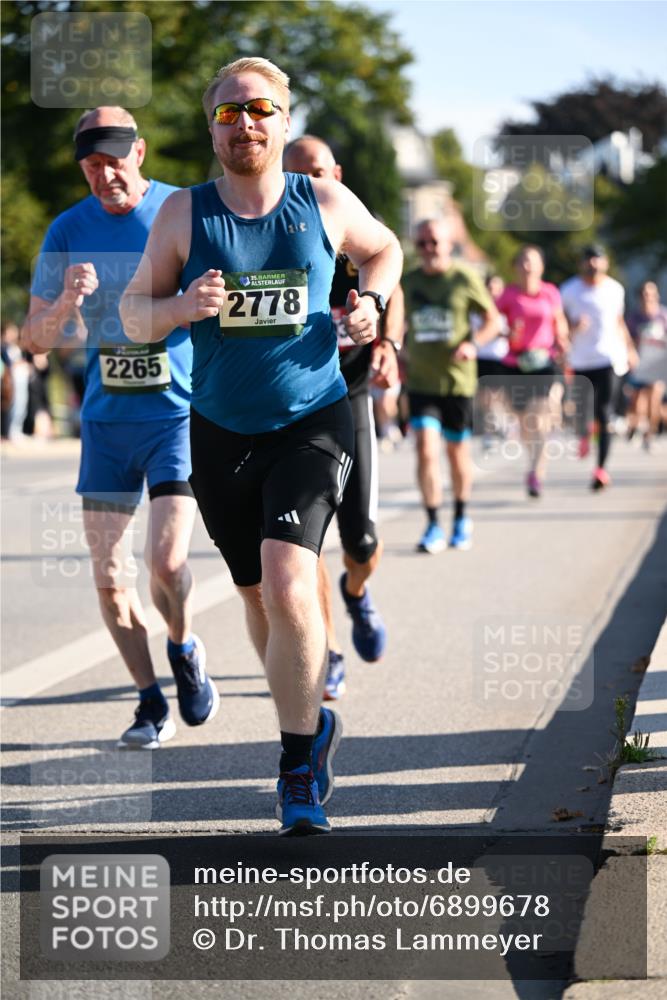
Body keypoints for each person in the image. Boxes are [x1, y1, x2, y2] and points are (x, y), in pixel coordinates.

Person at [120, 58, 402, 835]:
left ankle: (295, 765)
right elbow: (134, 315)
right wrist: (181, 305)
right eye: (228, 112)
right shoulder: (184, 213)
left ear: (283, 121)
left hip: (312, 420)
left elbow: (383, 249)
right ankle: (312, 721)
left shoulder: (323, 201)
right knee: (256, 596)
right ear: (211, 126)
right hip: (219, 432)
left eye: (260, 110)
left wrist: (372, 304)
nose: (244, 123)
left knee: (286, 581)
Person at [20, 106, 219, 749]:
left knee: (166, 561)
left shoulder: (182, 211)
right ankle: (149, 701)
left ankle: (183, 645)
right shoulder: (68, 230)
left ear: (140, 152)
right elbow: (34, 339)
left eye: (113, 161)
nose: (104, 176)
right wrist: (66, 302)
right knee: (109, 578)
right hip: (107, 426)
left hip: (175, 416)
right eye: (91, 166)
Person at [282, 134, 404, 701]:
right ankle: (328, 650)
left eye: (316, 172)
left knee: (360, 542)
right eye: (295, 174)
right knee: (303, 539)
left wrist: (388, 342)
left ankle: (355, 591)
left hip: (349, 394)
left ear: (337, 172)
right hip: (291, 403)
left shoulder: (353, 223)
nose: (307, 183)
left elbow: (392, 278)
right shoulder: (272, 227)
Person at [401, 217, 499, 553]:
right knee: (425, 449)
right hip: (421, 382)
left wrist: (474, 344)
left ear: (448, 245)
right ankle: (432, 523)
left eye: (434, 242)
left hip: (458, 383)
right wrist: (396, 349)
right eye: (422, 243)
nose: (428, 249)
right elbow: (395, 321)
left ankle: (460, 516)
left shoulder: (464, 278)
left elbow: (492, 319)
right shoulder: (409, 281)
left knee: (457, 454)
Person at [560, 245, 638, 490]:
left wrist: (630, 349)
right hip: (580, 360)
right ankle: (584, 433)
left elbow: (619, 322)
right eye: (589, 259)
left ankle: (601, 469)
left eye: (598, 259)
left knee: (604, 412)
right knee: (583, 411)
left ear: (605, 263)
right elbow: (560, 327)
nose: (593, 264)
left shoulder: (615, 289)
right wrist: (574, 328)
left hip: (609, 358)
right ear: (581, 263)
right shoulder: (569, 290)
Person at [495, 246, 569, 497]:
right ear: (516, 267)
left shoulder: (550, 292)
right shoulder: (508, 294)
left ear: (541, 267)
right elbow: (491, 320)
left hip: (544, 362)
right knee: (525, 423)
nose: (527, 267)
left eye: (532, 262)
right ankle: (533, 461)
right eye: (523, 262)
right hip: (515, 364)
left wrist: (562, 338)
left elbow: (559, 320)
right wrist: (505, 332)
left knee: (538, 418)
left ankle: (537, 472)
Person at [625, 281, 667, 451]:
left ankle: (650, 434)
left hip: (658, 363)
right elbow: (627, 339)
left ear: (656, 296)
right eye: (644, 294)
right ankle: (635, 426)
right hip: (640, 363)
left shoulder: (663, 315)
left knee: (655, 398)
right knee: (637, 399)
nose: (647, 297)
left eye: (650, 294)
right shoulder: (634, 318)